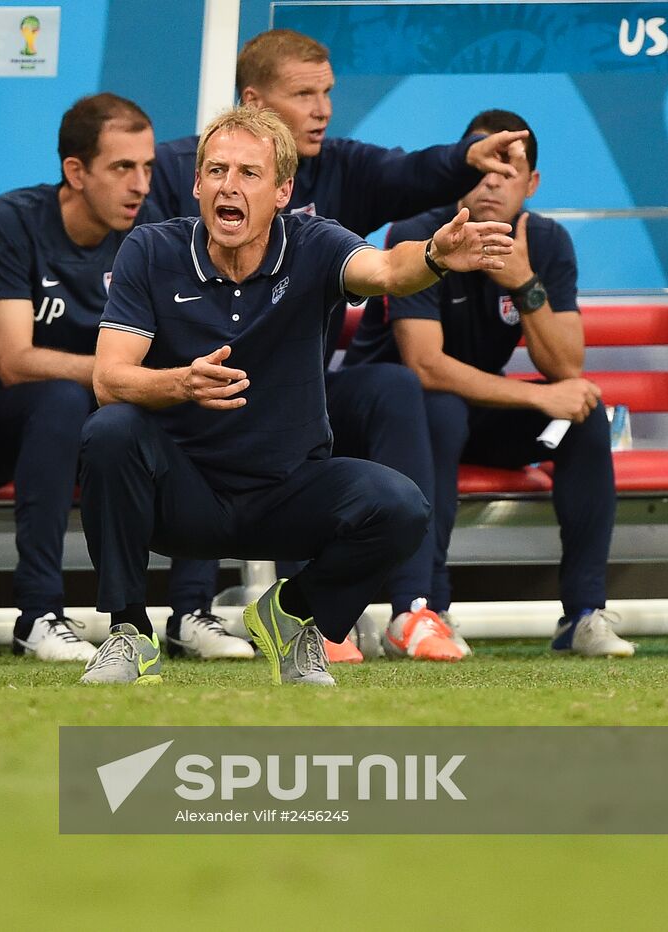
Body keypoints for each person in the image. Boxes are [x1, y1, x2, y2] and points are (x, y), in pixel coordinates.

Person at [77, 106, 514, 686]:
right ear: (196, 183)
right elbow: (109, 380)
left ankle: (293, 616)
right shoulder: (151, 250)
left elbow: (384, 269)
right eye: (216, 171)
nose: (229, 186)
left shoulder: (315, 243)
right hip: (181, 498)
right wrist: (180, 382)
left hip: (285, 493)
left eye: (249, 174)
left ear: (283, 190)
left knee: (402, 505)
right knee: (109, 432)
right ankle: (131, 633)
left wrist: (433, 258)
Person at [148, 28, 529, 662]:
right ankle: (193, 612)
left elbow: (405, 173)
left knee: (393, 386)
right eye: (304, 94)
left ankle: (408, 610)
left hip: (301, 390)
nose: (323, 109)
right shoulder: (189, 171)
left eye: (327, 93)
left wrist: (465, 159)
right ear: (256, 101)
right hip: (205, 381)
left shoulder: (339, 166)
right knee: (212, 406)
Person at [0, 94, 254, 663]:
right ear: (76, 171)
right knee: (59, 402)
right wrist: (121, 377)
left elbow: (177, 345)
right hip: (8, 418)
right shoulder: (12, 219)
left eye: (147, 167)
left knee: (196, 395)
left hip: (104, 414)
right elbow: (14, 359)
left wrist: (167, 381)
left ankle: (190, 611)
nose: (141, 185)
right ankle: (39, 613)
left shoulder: (151, 235)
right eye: (123, 168)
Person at [344, 109, 632, 658]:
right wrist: (538, 395)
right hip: (398, 422)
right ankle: (430, 609)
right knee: (441, 408)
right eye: (485, 164)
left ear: (532, 184)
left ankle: (584, 614)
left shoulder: (546, 242)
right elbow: (424, 365)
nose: (494, 180)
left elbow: (567, 367)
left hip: (477, 411)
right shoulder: (418, 233)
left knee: (582, 417)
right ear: (462, 169)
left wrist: (523, 280)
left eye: (511, 169)